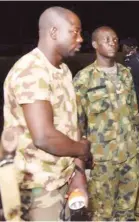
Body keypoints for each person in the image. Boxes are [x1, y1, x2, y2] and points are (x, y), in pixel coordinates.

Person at [0, 6, 90, 221]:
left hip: (63, 177)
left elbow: (71, 123)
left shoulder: (63, 70)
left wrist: (78, 171)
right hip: (37, 187)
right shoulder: (31, 71)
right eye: (74, 32)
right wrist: (82, 149)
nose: (80, 39)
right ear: (53, 32)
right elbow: (44, 137)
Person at [73, 26, 139, 221]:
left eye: (115, 39)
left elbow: (134, 111)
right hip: (102, 159)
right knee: (104, 213)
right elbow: (77, 123)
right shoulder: (83, 79)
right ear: (95, 44)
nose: (112, 42)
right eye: (106, 39)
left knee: (128, 211)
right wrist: (82, 158)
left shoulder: (125, 74)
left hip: (130, 153)